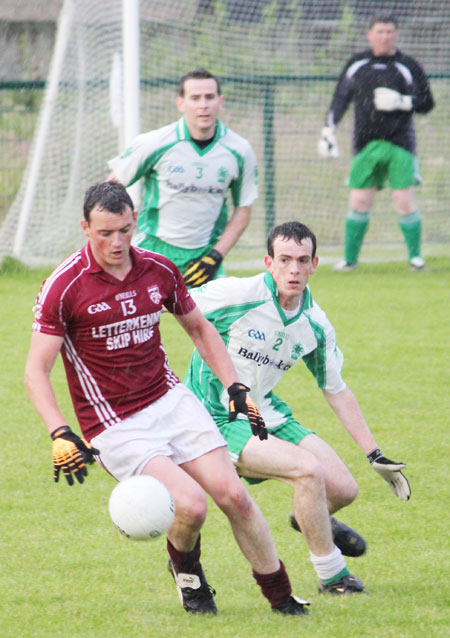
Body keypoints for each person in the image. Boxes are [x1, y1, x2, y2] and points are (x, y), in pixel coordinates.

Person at [24, 182, 311, 617]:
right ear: (86, 228)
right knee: (192, 506)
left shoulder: (158, 269)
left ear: (134, 222)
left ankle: (281, 597)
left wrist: (235, 387)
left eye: (124, 230)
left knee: (234, 496)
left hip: (170, 400)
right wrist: (59, 432)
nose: (117, 242)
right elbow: (35, 371)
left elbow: (199, 328)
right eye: (105, 233)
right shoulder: (65, 286)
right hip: (115, 423)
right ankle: (189, 575)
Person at [185, 220, 411, 594]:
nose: (294, 269)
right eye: (285, 259)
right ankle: (333, 576)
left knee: (342, 489)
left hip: (266, 410)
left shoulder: (315, 324)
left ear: (315, 264)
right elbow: (170, 304)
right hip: (217, 415)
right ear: (269, 262)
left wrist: (374, 453)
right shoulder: (237, 294)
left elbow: (335, 389)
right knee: (307, 472)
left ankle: (310, 517)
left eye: (302, 260)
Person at [108, 68, 257, 287]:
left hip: (204, 258)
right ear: (181, 103)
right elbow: (110, 189)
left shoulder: (240, 150)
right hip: (152, 252)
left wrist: (215, 256)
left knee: (220, 321)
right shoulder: (153, 143)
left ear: (221, 101)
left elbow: (243, 211)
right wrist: (120, 232)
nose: (203, 105)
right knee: (130, 320)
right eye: (195, 98)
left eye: (209, 97)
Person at [317, 14, 434, 271]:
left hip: (400, 143)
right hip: (365, 144)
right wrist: (329, 130)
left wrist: (403, 101)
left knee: (403, 200)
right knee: (359, 201)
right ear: (369, 34)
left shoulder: (407, 65)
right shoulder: (357, 64)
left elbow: (427, 103)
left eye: (390, 31)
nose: (385, 36)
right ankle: (350, 260)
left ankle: (415, 258)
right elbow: (340, 98)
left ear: (396, 34)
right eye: (380, 31)